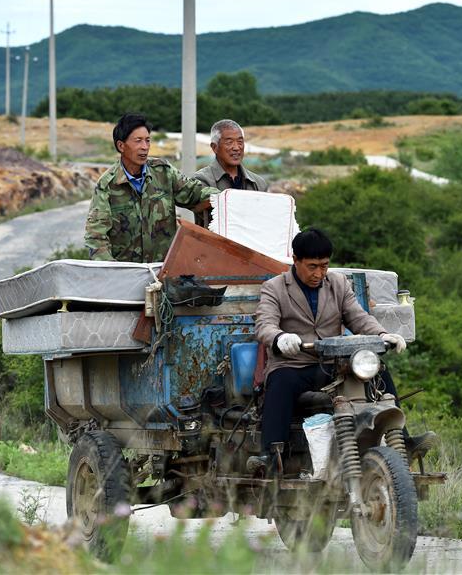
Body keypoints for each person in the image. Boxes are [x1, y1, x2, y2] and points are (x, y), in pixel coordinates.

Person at [251, 227, 435, 473]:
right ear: (295, 261)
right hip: (294, 365)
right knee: (279, 382)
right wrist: (280, 337)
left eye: (324, 266)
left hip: (332, 366)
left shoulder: (338, 283)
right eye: (312, 266)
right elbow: (265, 324)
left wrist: (382, 334)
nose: (319, 273)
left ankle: (404, 440)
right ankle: (271, 456)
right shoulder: (274, 288)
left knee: (377, 370)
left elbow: (358, 317)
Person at [84, 113, 219, 262]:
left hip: (163, 272)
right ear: (121, 146)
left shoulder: (163, 172)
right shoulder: (107, 185)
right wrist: (113, 273)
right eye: (138, 141)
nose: (145, 147)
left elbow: (195, 193)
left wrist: (226, 197)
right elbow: (96, 237)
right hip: (127, 275)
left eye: (147, 141)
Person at [194, 119, 268, 192]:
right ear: (214, 147)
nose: (236, 148)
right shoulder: (201, 181)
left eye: (240, 142)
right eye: (229, 142)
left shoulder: (258, 184)